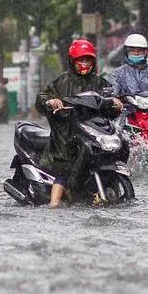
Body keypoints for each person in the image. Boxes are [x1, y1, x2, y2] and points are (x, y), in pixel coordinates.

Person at [36, 39, 122, 208]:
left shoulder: (100, 83)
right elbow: (42, 98)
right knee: (63, 164)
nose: (84, 64)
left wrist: (116, 104)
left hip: (93, 132)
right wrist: (53, 102)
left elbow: (111, 101)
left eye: (88, 60)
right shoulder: (62, 82)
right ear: (72, 61)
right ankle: (54, 203)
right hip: (67, 133)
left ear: (93, 61)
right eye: (80, 60)